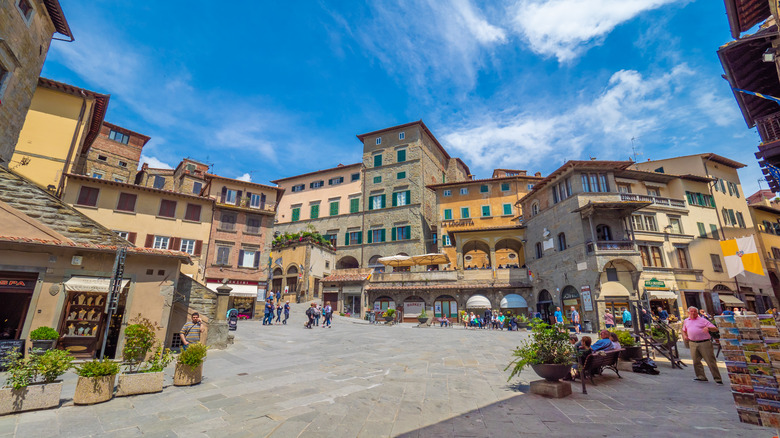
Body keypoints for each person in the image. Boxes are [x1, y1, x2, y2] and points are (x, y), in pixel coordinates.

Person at [682, 306, 722, 384]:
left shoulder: (703, 320)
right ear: (688, 313)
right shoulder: (686, 321)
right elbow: (684, 330)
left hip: (704, 342)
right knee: (696, 361)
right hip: (693, 343)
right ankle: (701, 376)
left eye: (694, 311)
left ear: (697, 313)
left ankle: (717, 378)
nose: (693, 313)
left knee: (710, 361)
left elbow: (715, 329)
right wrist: (684, 336)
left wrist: (708, 328)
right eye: (691, 311)